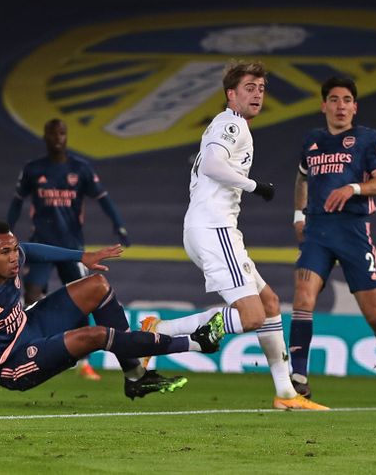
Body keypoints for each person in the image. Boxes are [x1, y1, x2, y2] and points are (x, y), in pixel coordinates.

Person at [139, 61, 327, 410]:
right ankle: (159, 331)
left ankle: (286, 393)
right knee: (252, 316)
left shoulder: (231, 125)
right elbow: (211, 164)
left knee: (269, 304)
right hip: (214, 229)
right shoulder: (230, 123)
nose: (257, 94)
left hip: (214, 228)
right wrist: (255, 185)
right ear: (231, 94)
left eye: (261, 89)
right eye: (249, 88)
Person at [0, 221, 223, 405]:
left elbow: (33, 250)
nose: (15, 257)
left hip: (30, 324)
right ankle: (196, 342)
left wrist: (83, 256)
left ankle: (135, 376)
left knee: (97, 285)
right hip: (12, 362)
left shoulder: (12, 257)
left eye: (14, 249)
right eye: (6, 252)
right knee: (95, 336)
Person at [287, 76, 376, 404]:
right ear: (323, 105)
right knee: (302, 297)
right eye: (334, 99)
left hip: (354, 231)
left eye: (346, 100)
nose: (340, 106)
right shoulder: (312, 140)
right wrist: (299, 215)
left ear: (355, 107)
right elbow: (302, 177)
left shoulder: (368, 139)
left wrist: (353, 188)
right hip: (317, 232)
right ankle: (298, 379)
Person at [7, 118, 131, 380]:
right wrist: (6, 232)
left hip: (72, 248)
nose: (58, 138)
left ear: (67, 136)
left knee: (83, 300)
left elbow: (104, 199)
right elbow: (17, 203)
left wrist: (119, 225)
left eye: (62, 133)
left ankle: (83, 363)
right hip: (42, 244)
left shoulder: (80, 169)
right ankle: (35, 352)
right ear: (45, 136)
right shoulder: (33, 170)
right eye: (53, 133)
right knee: (31, 293)